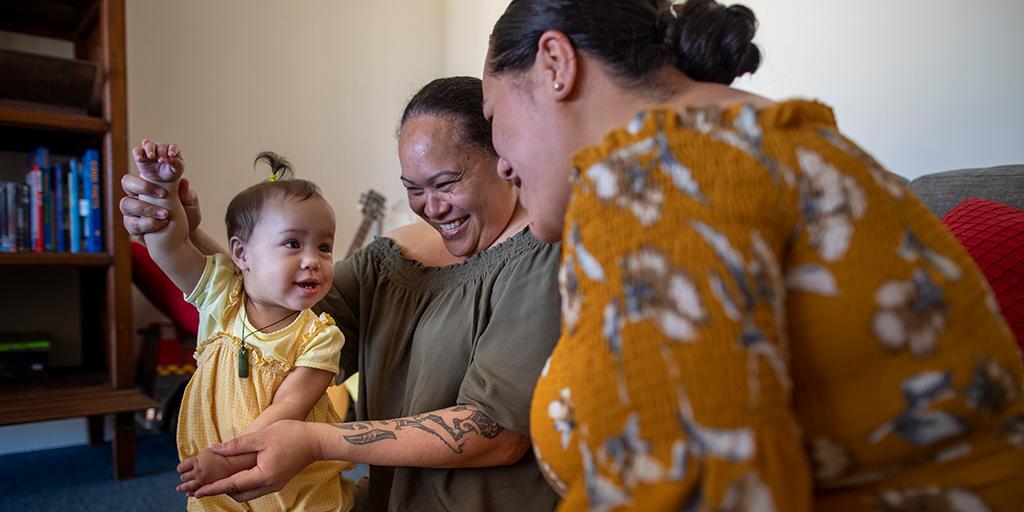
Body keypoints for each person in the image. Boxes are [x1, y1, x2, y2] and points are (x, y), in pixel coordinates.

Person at [480, 0, 1024, 510]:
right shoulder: (754, 142)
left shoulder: (661, 172)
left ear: (556, 62)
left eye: (491, 117)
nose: (501, 164)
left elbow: (707, 491)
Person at [120, 77, 562, 511]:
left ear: (503, 160)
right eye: (413, 189)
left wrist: (314, 440)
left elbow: (496, 435)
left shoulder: (543, 257)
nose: (432, 207)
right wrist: (182, 230)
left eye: (446, 183)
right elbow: (274, 321)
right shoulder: (390, 258)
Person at [132, 145, 354, 511]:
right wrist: (163, 188)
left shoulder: (321, 336)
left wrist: (229, 458)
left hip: (292, 481)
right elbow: (170, 248)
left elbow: (289, 407)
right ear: (241, 254)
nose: (313, 260)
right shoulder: (222, 296)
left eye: (325, 246)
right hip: (216, 466)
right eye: (293, 243)